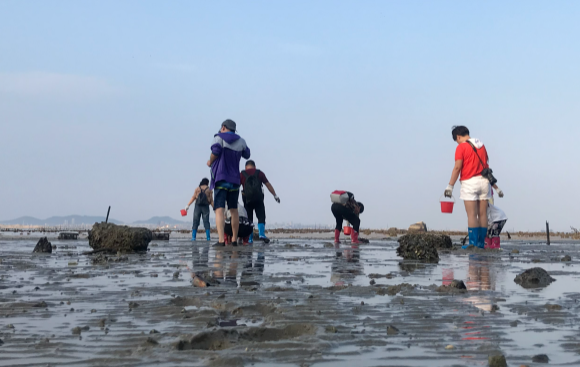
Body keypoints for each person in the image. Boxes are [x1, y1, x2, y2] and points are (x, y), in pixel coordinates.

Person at [444, 126, 496, 249]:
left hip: (469, 183)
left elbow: (457, 167)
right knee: (482, 214)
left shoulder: (461, 147)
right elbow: (487, 162)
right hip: (484, 182)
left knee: (472, 215)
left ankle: (473, 244)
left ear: (458, 137)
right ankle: (481, 243)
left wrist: (450, 186)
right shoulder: (481, 145)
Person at [208, 119, 251, 247]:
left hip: (221, 178)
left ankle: (221, 240)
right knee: (234, 210)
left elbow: (215, 152)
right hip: (235, 180)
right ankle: (234, 239)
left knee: (219, 209)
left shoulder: (218, 138)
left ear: (223, 127)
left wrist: (210, 161)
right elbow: (247, 154)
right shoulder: (241, 141)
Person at [240, 160, 280, 243]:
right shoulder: (260, 173)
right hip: (259, 199)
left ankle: (250, 238)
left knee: (249, 219)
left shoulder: (242, 174)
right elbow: (268, 184)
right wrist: (275, 195)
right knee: (261, 216)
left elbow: (236, 187)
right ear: (254, 167)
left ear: (245, 167)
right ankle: (261, 234)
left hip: (247, 199)